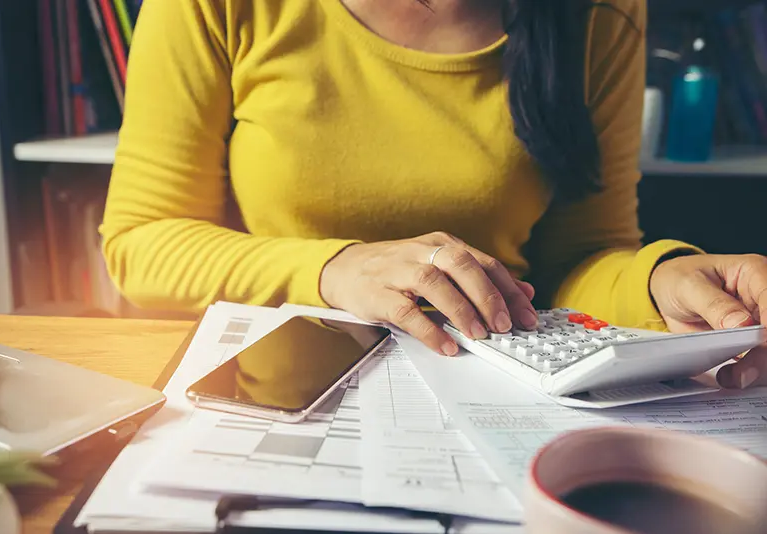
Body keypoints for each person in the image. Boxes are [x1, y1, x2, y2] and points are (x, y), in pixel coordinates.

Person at [100, 0, 767, 389]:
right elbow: (142, 241)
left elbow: (583, 255)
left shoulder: (599, 14)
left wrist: (662, 280)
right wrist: (335, 269)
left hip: (516, 403)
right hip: (287, 401)